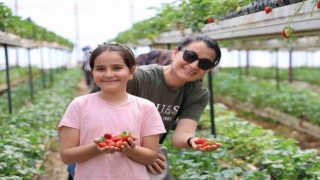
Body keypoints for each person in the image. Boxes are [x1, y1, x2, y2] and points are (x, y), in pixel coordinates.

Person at [68, 35, 222, 179]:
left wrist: (192, 141)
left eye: (205, 63)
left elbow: (181, 136)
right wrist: (141, 152)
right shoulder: (139, 78)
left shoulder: (197, 93)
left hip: (138, 152)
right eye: (190, 56)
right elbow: (95, 116)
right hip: (96, 150)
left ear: (210, 69)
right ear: (175, 53)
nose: (194, 64)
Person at [58, 42, 166, 180]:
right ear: (92, 72)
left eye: (117, 68)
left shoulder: (146, 108)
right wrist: (96, 148)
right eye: (101, 69)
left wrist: (130, 149)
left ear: (131, 72)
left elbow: (151, 157)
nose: (108, 74)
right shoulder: (79, 105)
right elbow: (66, 156)